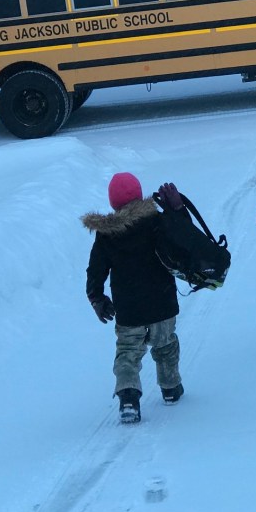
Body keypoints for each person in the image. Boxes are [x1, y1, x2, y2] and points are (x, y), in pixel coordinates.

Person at [82, 173, 186, 424]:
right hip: (162, 302)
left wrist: (97, 298)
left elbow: (95, 269)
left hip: (129, 309)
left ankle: (128, 398)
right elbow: (183, 238)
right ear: (140, 195)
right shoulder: (156, 221)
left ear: (112, 202)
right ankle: (170, 387)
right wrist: (178, 210)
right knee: (165, 345)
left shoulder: (107, 234)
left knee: (128, 352)